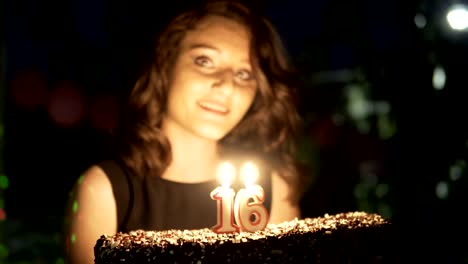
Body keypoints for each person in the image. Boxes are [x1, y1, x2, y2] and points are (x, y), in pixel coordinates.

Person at [64, 0, 308, 263]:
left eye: (244, 74)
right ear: (166, 64)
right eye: (205, 61)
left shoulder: (270, 190)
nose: (227, 86)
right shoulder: (105, 190)